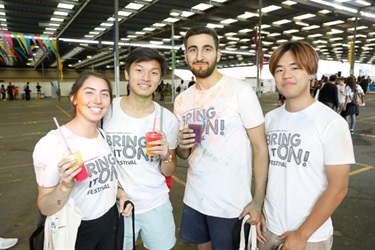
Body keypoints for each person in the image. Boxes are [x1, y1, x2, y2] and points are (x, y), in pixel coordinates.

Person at [174, 26, 269, 249]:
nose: (199, 56)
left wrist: (258, 201)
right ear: (186, 55)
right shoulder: (182, 100)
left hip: (231, 205)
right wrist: (181, 145)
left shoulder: (240, 91)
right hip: (195, 199)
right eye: (193, 50)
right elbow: (183, 154)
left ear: (218, 54)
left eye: (207, 49)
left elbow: (260, 147)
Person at [256, 41, 355, 250]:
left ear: (311, 72)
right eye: (279, 69)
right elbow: (265, 170)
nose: (286, 75)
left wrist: (302, 235)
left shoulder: (332, 123)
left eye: (295, 68)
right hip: (268, 229)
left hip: (310, 236)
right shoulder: (271, 119)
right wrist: (259, 208)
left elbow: (338, 188)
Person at [32, 71, 132, 249]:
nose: (98, 100)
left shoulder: (102, 135)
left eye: (104, 94)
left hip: (110, 221)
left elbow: (105, 181)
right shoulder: (52, 143)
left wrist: (121, 194)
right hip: (77, 228)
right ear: (74, 98)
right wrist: (64, 186)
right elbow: (45, 207)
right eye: (89, 92)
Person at [103, 47, 179, 250]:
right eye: (139, 70)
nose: (146, 78)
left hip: (156, 204)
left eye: (153, 72)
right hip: (115, 206)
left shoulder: (167, 119)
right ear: (127, 74)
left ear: (160, 78)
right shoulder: (106, 112)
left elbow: (169, 170)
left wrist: (165, 156)